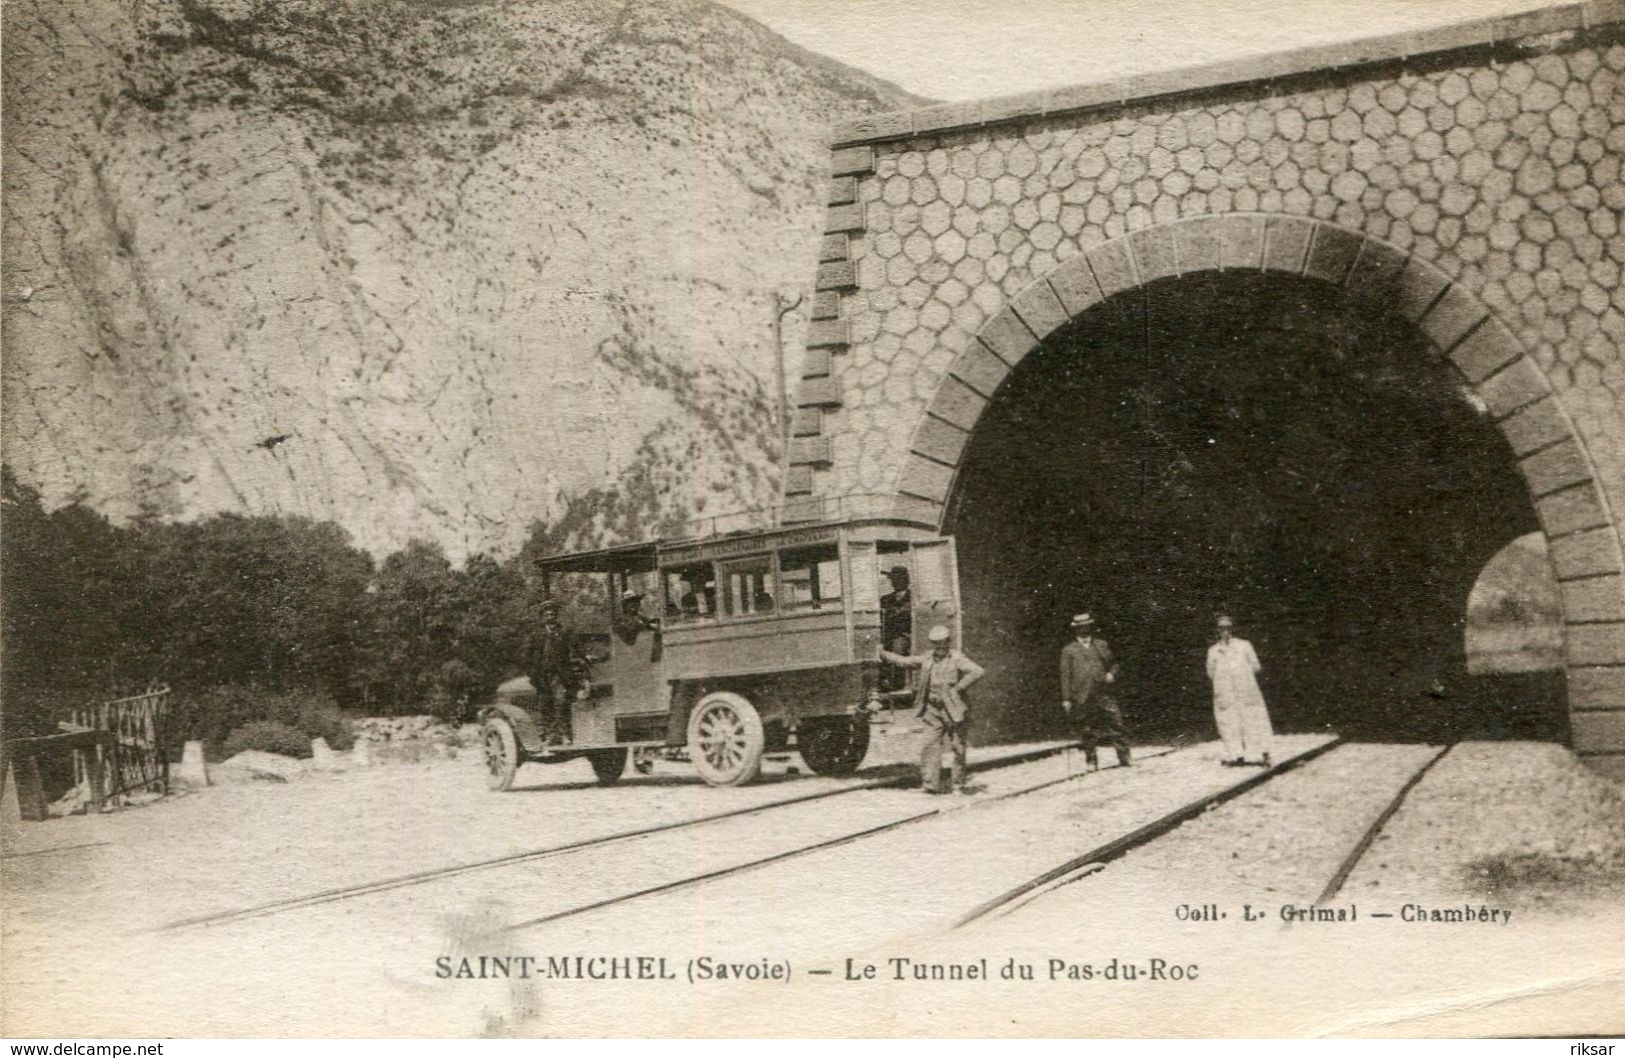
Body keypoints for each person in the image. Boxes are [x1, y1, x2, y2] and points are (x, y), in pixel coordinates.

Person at [880, 624, 984, 794]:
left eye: (942, 642)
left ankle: (958, 785)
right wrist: (884, 654)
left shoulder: (957, 658)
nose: (939, 646)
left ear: (948, 642)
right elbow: (906, 661)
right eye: (935, 643)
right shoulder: (927, 658)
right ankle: (930, 786)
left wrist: (958, 688)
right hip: (932, 709)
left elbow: (977, 671)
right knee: (929, 745)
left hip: (953, 710)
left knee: (958, 747)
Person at [1060, 613, 1131, 770]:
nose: (1083, 629)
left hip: (1103, 692)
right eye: (1080, 627)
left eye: (1086, 626)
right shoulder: (1069, 650)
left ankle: (1124, 758)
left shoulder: (1101, 645)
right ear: (1076, 629)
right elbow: (1065, 676)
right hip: (1081, 695)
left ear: (1090, 627)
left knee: (1116, 722)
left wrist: (1111, 674)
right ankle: (1091, 761)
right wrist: (1066, 698)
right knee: (1086, 729)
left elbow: (1115, 663)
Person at [1206, 614, 1274, 767]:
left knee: (1254, 721)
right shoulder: (1213, 651)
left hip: (1246, 691)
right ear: (1217, 630)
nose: (1225, 631)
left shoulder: (1244, 646)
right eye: (1222, 628)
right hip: (1226, 694)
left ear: (1233, 628)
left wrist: (1241, 675)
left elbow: (1256, 666)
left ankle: (1264, 754)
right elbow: (1211, 673)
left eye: (1228, 627)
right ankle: (1236, 756)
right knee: (1229, 723)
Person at [525, 597, 582, 744]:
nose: (550, 618)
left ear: (556, 616)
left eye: (553, 614)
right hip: (542, 676)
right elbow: (527, 656)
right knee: (545, 704)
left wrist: (584, 656)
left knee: (561, 702)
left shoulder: (564, 632)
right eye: (547, 615)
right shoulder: (536, 635)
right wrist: (532, 673)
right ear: (542, 617)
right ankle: (550, 736)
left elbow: (576, 648)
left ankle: (564, 735)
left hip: (560, 675)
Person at [878, 566, 913, 692]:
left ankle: (896, 684)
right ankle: (880, 684)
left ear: (906, 580)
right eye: (893, 579)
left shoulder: (913, 598)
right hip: (887, 636)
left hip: (906, 635)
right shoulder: (885, 599)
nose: (894, 582)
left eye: (898, 578)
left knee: (898, 647)